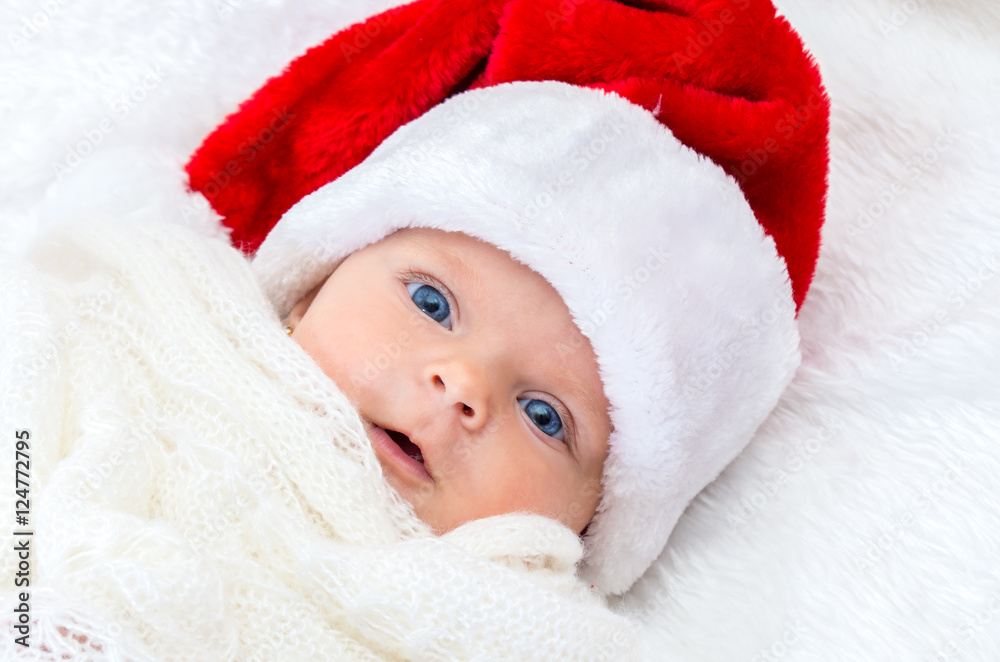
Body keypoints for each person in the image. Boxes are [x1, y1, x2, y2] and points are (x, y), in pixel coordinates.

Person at [1, 0, 829, 659]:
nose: (461, 386)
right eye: (431, 303)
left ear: (585, 527)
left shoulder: (506, 618)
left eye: (547, 417)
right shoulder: (155, 319)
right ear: (311, 283)